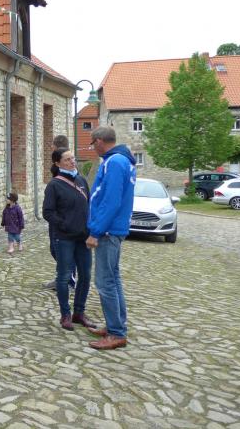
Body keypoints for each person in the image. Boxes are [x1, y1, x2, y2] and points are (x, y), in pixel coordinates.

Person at [85, 126, 136, 350]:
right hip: (114, 229)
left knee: (105, 282)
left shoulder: (114, 162)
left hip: (108, 231)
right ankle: (116, 325)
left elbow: (111, 201)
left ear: (99, 141)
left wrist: (95, 231)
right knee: (113, 280)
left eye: (92, 144)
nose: (93, 148)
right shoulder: (122, 161)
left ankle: (116, 333)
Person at [42, 149, 97, 331]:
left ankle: (79, 313)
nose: (72, 161)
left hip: (83, 237)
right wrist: (64, 225)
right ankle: (65, 314)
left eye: (73, 158)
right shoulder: (54, 185)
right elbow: (48, 212)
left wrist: (90, 229)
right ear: (58, 163)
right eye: (67, 159)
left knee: (86, 275)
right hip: (64, 238)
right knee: (64, 276)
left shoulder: (81, 181)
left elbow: (89, 205)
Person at [44, 135, 76, 291]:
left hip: (61, 216)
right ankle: (62, 278)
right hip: (59, 215)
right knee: (57, 249)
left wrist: (62, 221)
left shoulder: (64, 168)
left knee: (61, 250)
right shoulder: (61, 166)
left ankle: (68, 280)